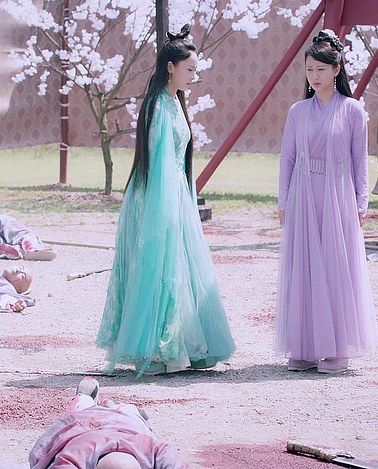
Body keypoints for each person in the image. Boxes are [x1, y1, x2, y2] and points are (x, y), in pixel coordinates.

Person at [96, 24, 235, 377]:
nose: (193, 76)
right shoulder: (157, 105)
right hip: (157, 195)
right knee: (159, 267)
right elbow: (157, 162)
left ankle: (183, 346)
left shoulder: (174, 102)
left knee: (179, 268)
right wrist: (167, 206)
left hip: (175, 193)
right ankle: (156, 349)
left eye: (195, 70)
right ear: (170, 67)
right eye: (189, 69)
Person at [275, 30, 378, 374]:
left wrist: (361, 203)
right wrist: (283, 200)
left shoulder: (353, 111)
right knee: (303, 267)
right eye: (309, 70)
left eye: (321, 69)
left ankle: (335, 349)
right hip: (303, 195)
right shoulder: (297, 111)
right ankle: (304, 347)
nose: (314, 76)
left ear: (336, 70)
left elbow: (360, 161)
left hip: (339, 197)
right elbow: (288, 158)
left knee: (336, 269)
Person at [0, 378, 189, 469]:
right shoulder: (79, 453)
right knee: (82, 413)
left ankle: (101, 402)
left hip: (118, 423)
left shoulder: (153, 449)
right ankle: (91, 400)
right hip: (91, 427)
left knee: (126, 414)